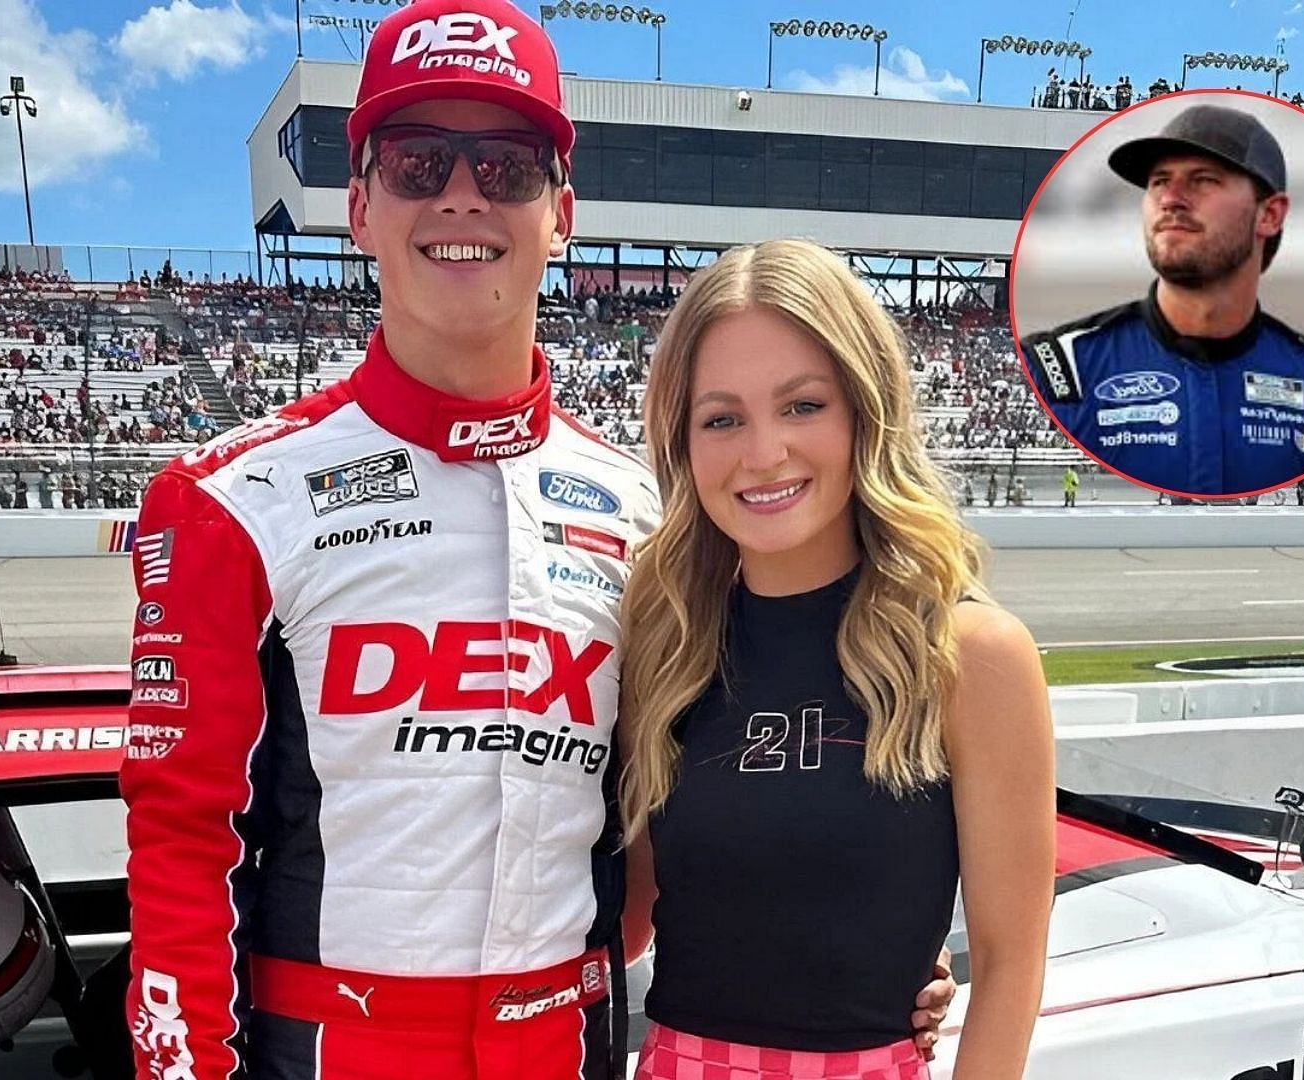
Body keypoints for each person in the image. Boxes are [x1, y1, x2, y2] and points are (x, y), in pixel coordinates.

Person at [117, 5, 956, 1078]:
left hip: (574, 1043)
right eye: (420, 163)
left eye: (505, 167)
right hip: (329, 1050)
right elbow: (182, 849)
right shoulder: (233, 499)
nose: (462, 195)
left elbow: (735, 786)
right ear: (360, 206)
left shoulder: (654, 516)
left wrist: (871, 949)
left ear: (560, 212)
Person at [618, 240, 1054, 1080]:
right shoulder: (662, 645)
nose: (762, 452)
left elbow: (1009, 966)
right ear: (683, 443)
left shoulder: (970, 655)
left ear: (864, 411)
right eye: (721, 418)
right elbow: (630, 923)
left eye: (802, 405)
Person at [1019, 102, 1304, 497]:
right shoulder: (1060, 370)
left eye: (1203, 180)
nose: (1170, 198)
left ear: (1270, 215)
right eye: (1158, 181)